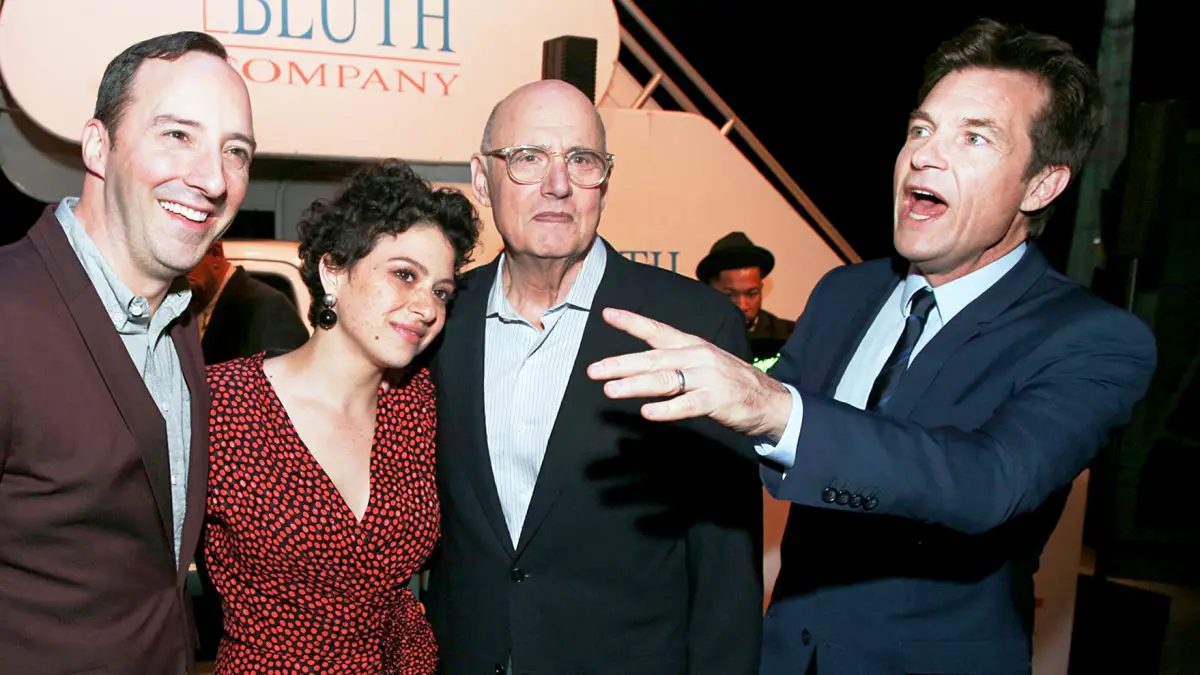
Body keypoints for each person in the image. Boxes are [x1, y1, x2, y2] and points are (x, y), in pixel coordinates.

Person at [587, 20, 1158, 675]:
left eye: (974, 137)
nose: (924, 155)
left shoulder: (1095, 339)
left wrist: (774, 407)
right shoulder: (844, 293)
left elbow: (990, 483)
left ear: (1042, 185)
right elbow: (780, 450)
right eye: (921, 129)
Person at [421, 79, 764, 675]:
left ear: (605, 179)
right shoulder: (439, 318)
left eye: (581, 160)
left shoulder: (692, 323)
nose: (558, 184)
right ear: (482, 179)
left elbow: (725, 562)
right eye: (527, 158)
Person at [0, 32, 254, 674]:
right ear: (97, 146)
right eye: (177, 135)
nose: (212, 178)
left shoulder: (179, 323)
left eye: (236, 151)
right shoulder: (9, 310)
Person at [202, 159, 481, 673]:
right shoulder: (223, 405)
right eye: (404, 275)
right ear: (334, 270)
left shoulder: (418, 408)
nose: (426, 308)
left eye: (441, 291)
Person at [187, 239, 311, 364]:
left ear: (215, 253)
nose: (175, 279)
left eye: (186, 268)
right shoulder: (191, 308)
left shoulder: (268, 308)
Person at [697, 231, 795, 365]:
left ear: (761, 288)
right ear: (711, 290)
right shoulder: (692, 337)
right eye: (729, 295)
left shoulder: (789, 338)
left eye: (752, 293)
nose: (743, 305)